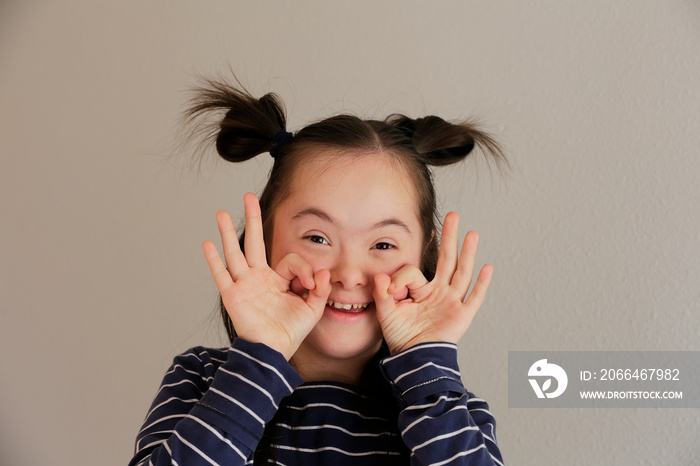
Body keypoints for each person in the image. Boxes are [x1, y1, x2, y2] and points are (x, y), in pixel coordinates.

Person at [129, 77, 507, 465]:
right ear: (265, 238)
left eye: (382, 245)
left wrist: (426, 365)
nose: (348, 273)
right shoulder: (201, 379)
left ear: (424, 253)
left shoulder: (447, 410)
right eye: (317, 238)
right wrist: (261, 355)